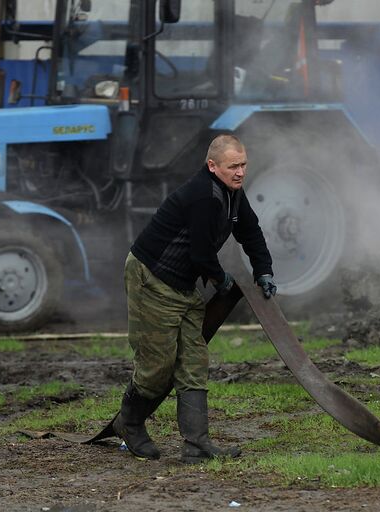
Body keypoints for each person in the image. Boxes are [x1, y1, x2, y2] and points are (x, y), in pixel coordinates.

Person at [111, 134, 276, 463]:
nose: (241, 172)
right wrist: (222, 278)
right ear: (212, 166)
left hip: (183, 285)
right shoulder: (203, 196)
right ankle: (128, 423)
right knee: (158, 366)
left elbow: (251, 232)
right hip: (152, 279)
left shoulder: (233, 194)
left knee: (194, 362)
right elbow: (201, 253)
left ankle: (196, 446)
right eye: (233, 166)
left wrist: (264, 271)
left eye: (243, 164)